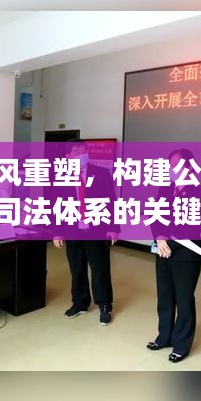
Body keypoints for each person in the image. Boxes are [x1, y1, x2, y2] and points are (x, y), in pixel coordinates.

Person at [147, 148, 201, 363]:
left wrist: (167, 243)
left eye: (177, 165)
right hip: (163, 251)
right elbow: (155, 216)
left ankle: (181, 344)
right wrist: (159, 238)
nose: (173, 169)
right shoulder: (165, 188)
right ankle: (164, 337)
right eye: (171, 166)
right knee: (165, 296)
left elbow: (194, 227)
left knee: (184, 299)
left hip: (185, 254)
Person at [52, 139, 119, 325]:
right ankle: (80, 303)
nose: (82, 154)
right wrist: (57, 232)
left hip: (96, 230)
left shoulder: (101, 173)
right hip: (72, 230)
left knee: (100, 269)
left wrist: (113, 227)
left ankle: (104, 305)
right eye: (77, 151)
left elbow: (111, 201)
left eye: (84, 150)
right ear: (68, 156)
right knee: (77, 270)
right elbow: (56, 206)